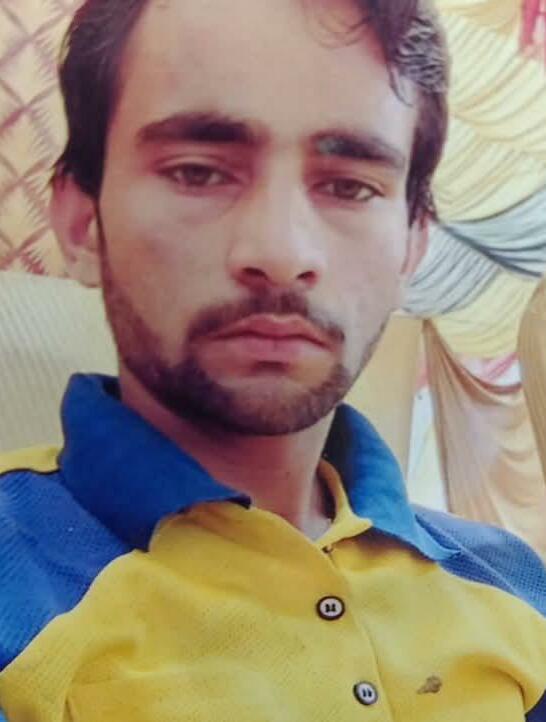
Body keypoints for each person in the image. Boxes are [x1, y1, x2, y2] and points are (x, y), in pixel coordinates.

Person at [0, 0, 545, 719]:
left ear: (413, 245)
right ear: (81, 222)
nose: (282, 252)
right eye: (198, 172)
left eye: (350, 186)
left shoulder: (512, 582)